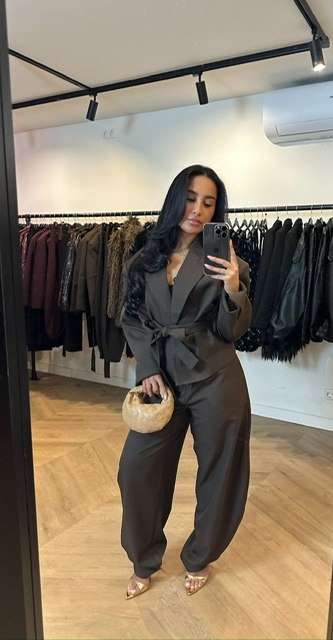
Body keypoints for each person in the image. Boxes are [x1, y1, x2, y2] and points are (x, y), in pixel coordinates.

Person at [118, 164, 252, 599]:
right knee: (136, 469)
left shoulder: (227, 261)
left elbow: (233, 330)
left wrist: (233, 287)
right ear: (176, 200)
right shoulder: (144, 259)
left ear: (216, 211)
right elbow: (132, 317)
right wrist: (147, 367)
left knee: (220, 469)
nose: (197, 210)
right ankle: (143, 558)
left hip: (216, 377)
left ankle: (200, 555)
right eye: (191, 199)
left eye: (208, 203)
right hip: (162, 382)